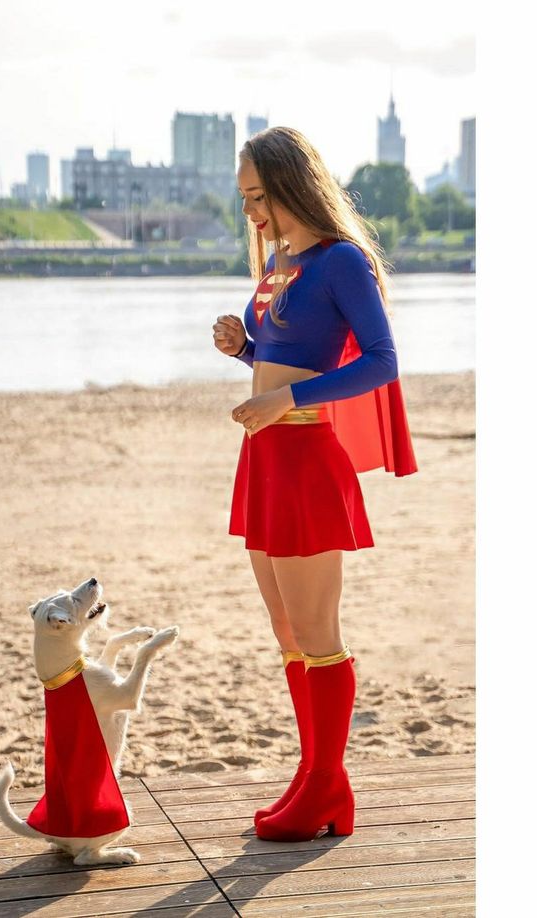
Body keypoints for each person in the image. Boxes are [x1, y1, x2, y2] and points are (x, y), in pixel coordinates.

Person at [212, 126, 417, 843]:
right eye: (243, 199)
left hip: (303, 459)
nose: (250, 212)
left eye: (258, 196)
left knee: (316, 631)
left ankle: (328, 785)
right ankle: (313, 775)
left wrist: (283, 401)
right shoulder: (278, 264)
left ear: (292, 183)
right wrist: (246, 352)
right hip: (263, 458)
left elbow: (381, 362)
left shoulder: (339, 262)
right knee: (285, 632)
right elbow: (279, 361)